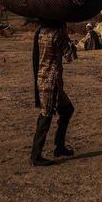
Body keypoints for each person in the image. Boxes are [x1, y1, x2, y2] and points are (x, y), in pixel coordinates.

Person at [30, 20, 77, 166]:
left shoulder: (40, 31)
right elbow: (70, 56)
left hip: (43, 79)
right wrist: (66, 35)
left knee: (68, 110)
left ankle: (59, 147)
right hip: (51, 82)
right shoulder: (56, 35)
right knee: (45, 117)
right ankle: (35, 157)